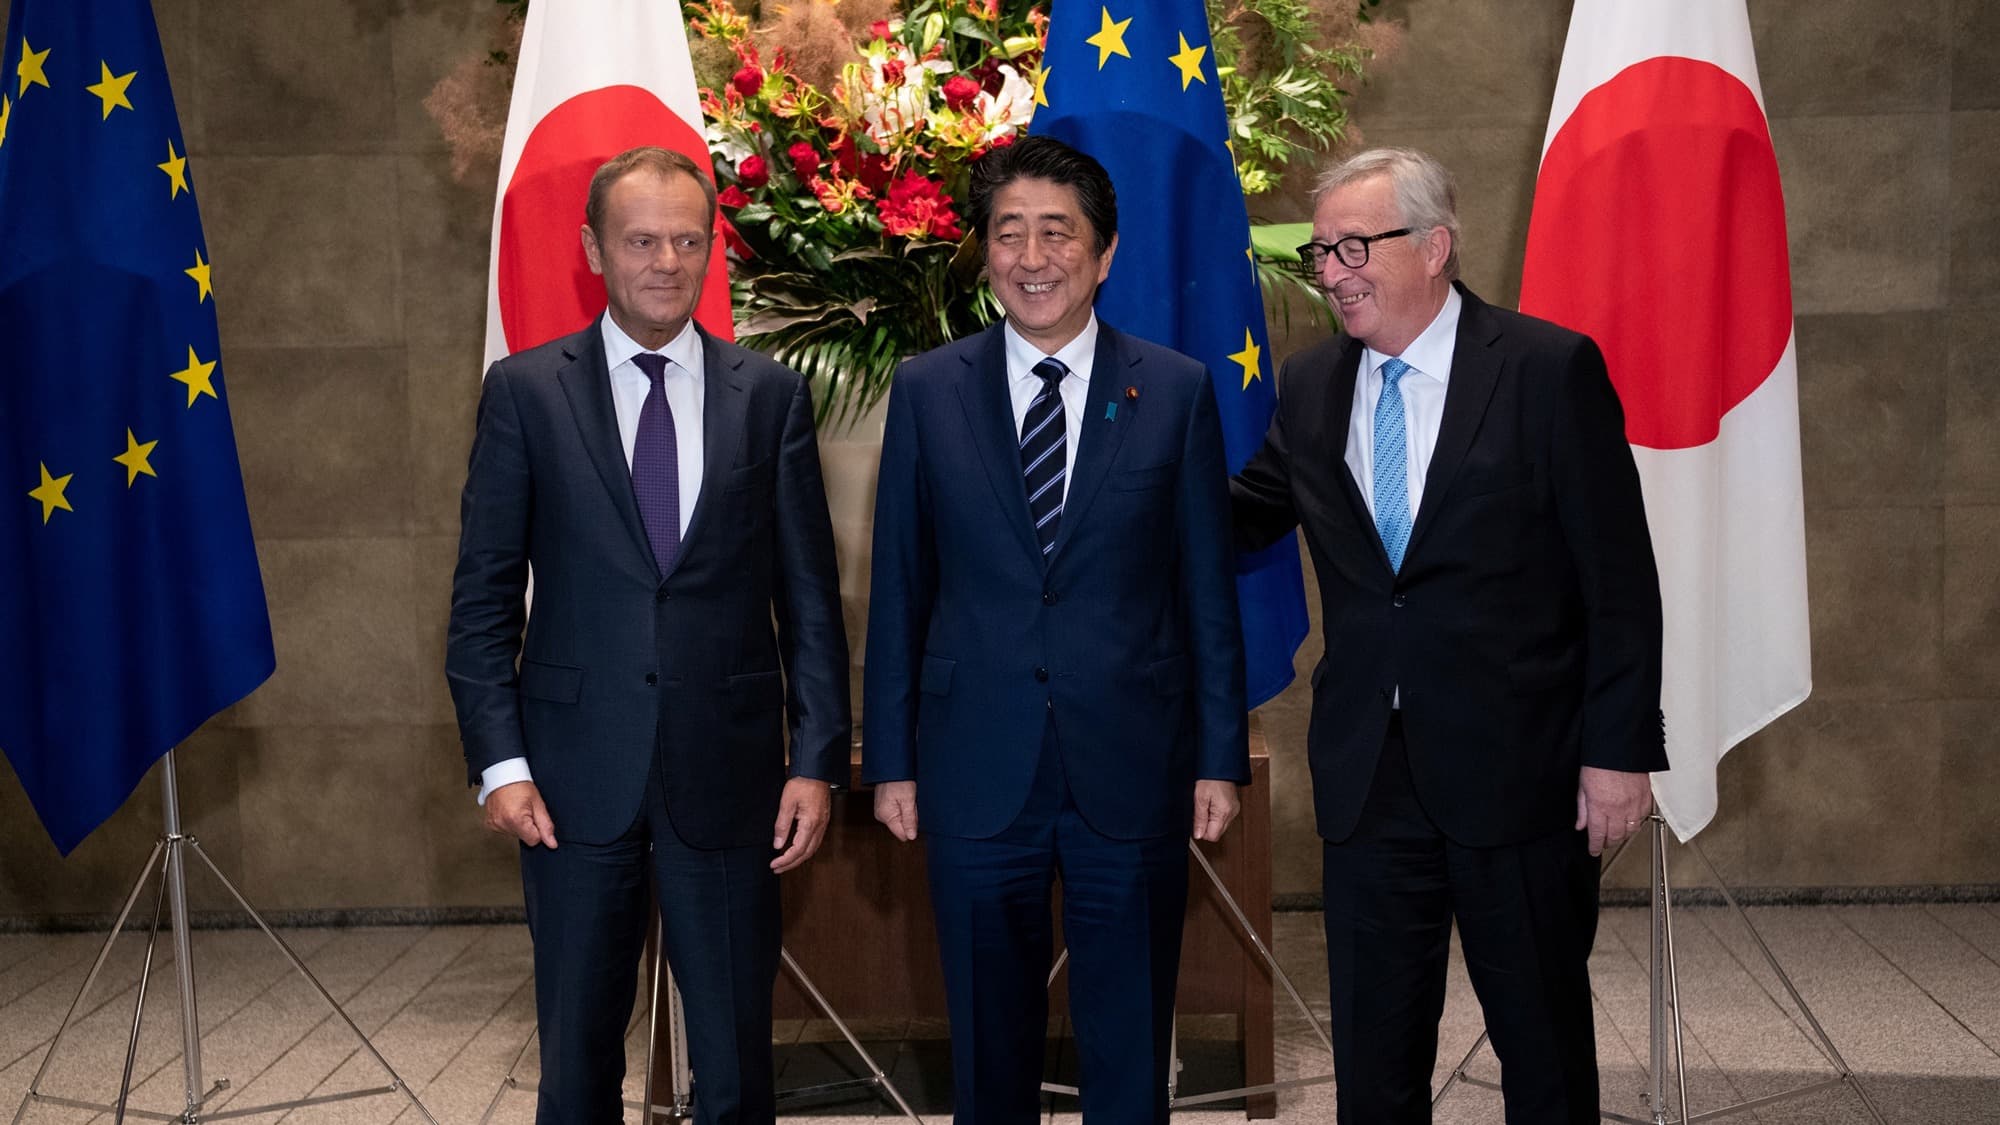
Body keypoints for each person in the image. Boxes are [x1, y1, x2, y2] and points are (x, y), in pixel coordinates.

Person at [1231, 147, 1665, 1124]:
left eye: (1353, 247)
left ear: (1434, 245)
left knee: (1541, 1045)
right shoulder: (1306, 388)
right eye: (1319, 252)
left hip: (1522, 774)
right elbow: (1236, 517)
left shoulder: (1547, 371)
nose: (1332, 272)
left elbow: (1619, 584)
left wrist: (1618, 753)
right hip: (1367, 779)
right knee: (1375, 1060)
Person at [445, 146, 849, 1125]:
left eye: (685, 240)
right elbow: (481, 603)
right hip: (571, 784)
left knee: (734, 1062)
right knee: (578, 1060)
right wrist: (500, 767)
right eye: (640, 241)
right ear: (594, 249)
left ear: (710, 249)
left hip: (730, 774)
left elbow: (809, 600)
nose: (665, 262)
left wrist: (817, 762)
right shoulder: (526, 394)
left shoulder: (770, 397)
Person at [861, 135, 1249, 1125]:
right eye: (1008, 235)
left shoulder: (1172, 390)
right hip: (972, 765)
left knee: (1126, 1037)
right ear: (983, 254)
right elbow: (900, 587)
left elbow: (1204, 589)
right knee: (987, 1048)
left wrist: (1217, 758)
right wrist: (891, 762)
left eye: (1056, 234)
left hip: (1130, 762)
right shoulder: (925, 389)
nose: (1031, 258)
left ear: (1104, 253)